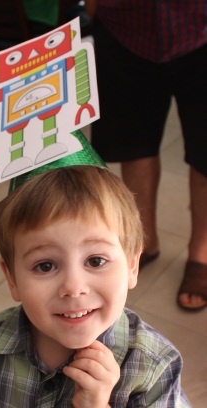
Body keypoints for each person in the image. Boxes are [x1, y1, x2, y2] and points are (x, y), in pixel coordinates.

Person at [0, 131, 190, 407]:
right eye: (45, 265)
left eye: (95, 261)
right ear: (11, 278)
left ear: (131, 265)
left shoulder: (154, 369)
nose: (73, 287)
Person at [87, 0, 207, 311]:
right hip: (124, 27)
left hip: (199, 28)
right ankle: (144, 240)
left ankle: (201, 253)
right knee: (132, 144)